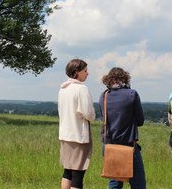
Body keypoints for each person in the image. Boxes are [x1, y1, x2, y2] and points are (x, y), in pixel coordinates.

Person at [99, 67, 146, 189]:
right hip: (128, 145)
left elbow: (105, 118)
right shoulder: (132, 94)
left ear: (108, 80)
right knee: (138, 183)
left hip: (110, 145)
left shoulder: (104, 96)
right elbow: (140, 120)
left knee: (115, 183)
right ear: (125, 78)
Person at [58, 58, 96, 189]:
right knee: (78, 174)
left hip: (65, 135)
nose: (87, 73)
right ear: (76, 72)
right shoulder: (81, 89)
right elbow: (89, 113)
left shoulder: (63, 89)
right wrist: (93, 116)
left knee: (67, 171)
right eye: (85, 70)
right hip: (79, 136)